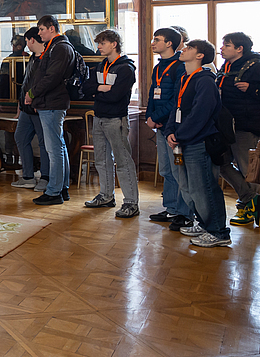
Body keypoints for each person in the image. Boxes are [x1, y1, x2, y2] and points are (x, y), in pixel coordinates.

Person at [165, 40, 231, 247]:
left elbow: (200, 114)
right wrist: (170, 131)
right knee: (189, 187)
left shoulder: (205, 81)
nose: (183, 50)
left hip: (197, 142)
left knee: (204, 188)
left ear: (200, 56)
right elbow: (176, 109)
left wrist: (180, 135)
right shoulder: (185, 78)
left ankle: (218, 232)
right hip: (182, 141)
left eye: (189, 48)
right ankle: (204, 224)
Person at [82, 29, 138, 217]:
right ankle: (106, 195)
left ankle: (131, 202)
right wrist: (101, 88)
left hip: (116, 119)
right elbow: (86, 88)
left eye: (102, 43)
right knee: (101, 159)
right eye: (98, 43)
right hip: (99, 117)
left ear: (114, 44)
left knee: (123, 161)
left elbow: (116, 96)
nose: (98, 46)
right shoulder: (101, 66)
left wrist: (97, 92)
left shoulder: (126, 68)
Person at [145, 28, 192, 230]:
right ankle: (171, 208)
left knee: (178, 170)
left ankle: (184, 212)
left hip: (172, 126)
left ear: (169, 43)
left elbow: (176, 100)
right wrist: (149, 116)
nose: (153, 43)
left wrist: (157, 117)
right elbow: (152, 94)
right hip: (159, 126)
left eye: (157, 39)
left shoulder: (179, 66)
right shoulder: (158, 66)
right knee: (166, 170)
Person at [28, 15, 76, 205]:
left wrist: (32, 93)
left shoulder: (60, 48)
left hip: (52, 103)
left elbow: (51, 77)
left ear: (52, 28)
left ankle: (54, 191)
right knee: (59, 146)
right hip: (50, 102)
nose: (39, 33)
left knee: (54, 149)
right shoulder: (55, 47)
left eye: (41, 29)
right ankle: (62, 188)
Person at [217, 32, 260, 227]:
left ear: (239, 49)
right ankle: (249, 199)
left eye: (227, 45)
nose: (222, 48)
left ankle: (250, 208)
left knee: (248, 169)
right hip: (225, 126)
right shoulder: (225, 67)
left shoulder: (255, 65)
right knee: (221, 163)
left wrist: (252, 89)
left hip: (246, 126)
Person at [11, 27, 50, 192]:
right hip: (26, 109)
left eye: (27, 41)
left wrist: (36, 101)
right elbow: (27, 83)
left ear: (32, 40)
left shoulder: (47, 57)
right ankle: (28, 176)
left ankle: (46, 177)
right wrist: (20, 105)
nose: (26, 44)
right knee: (20, 137)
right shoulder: (33, 58)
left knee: (44, 143)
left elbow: (47, 84)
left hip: (39, 108)